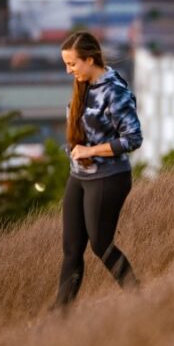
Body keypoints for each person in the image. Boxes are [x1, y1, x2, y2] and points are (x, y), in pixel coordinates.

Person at [54, 31, 142, 309]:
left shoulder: (113, 90)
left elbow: (133, 138)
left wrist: (90, 151)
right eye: (66, 65)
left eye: (73, 64)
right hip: (79, 177)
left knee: (100, 245)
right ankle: (60, 314)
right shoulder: (84, 85)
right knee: (71, 250)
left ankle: (138, 299)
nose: (69, 71)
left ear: (90, 60)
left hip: (109, 178)